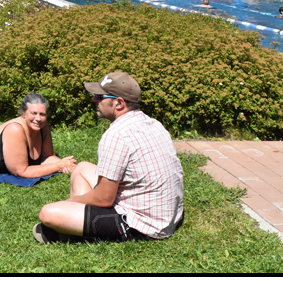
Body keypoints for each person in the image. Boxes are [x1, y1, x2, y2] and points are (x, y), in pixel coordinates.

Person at [33, 72, 184, 244]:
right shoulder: (153, 123)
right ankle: (75, 226)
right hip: (166, 216)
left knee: (48, 213)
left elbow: (104, 198)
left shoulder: (116, 135)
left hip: (142, 225)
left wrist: (70, 202)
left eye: (99, 97)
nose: (94, 100)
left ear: (119, 103)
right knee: (81, 168)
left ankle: (75, 230)